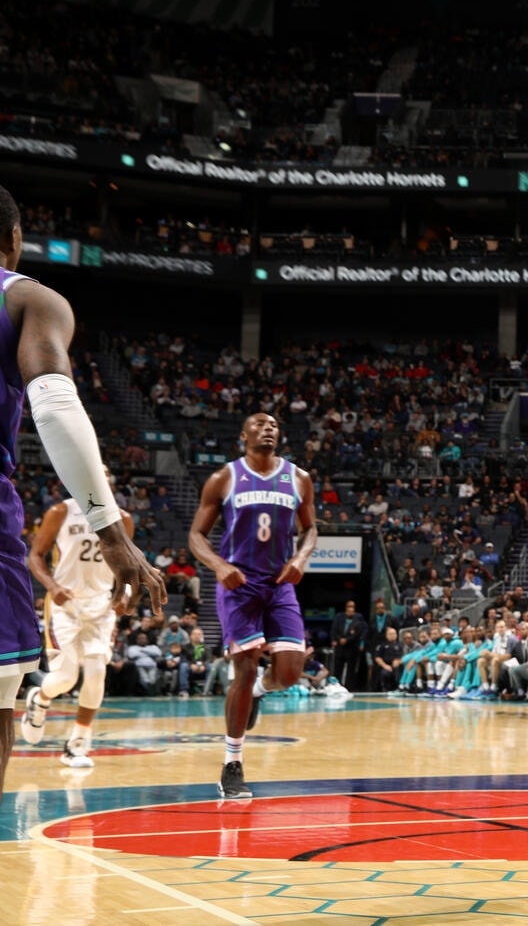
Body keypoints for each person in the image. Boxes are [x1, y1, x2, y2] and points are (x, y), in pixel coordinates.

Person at [0, 187, 164, 796]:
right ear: (14, 242)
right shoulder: (28, 297)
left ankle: (78, 741)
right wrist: (111, 531)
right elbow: (54, 403)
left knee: (89, 680)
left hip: (96, 609)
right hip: (56, 590)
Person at [189, 411, 318, 800]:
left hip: (279, 583)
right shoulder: (225, 477)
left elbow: (310, 528)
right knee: (243, 668)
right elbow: (196, 535)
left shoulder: (299, 478)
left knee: (292, 673)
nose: (268, 428)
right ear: (243, 434)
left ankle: (263, 689)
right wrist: (219, 565)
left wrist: (301, 558)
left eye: (274, 425)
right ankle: (232, 764)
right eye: (260, 424)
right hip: (239, 583)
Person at [19, 492, 137, 767]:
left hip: (102, 604)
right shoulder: (61, 511)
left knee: (97, 672)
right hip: (66, 603)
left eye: (106, 473)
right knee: (66, 677)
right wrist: (52, 586)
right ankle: (40, 697)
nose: (102, 477)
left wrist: (126, 593)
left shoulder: (122, 519)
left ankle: (77, 744)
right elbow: (35, 556)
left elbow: (128, 566)